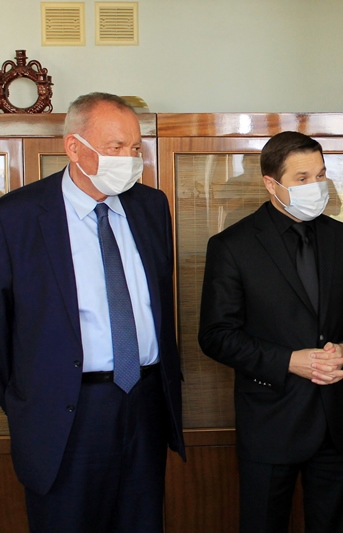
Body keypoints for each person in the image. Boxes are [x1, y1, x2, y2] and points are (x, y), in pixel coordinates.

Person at [0, 92, 185, 532]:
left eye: (135, 147)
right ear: (74, 147)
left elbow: (158, 301)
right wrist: (25, 400)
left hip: (144, 402)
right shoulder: (16, 216)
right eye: (115, 147)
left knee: (141, 521)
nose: (129, 159)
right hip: (65, 411)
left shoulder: (150, 206)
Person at [198, 131, 343, 533]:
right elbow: (216, 334)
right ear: (271, 184)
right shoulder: (232, 246)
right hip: (270, 422)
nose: (316, 186)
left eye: (321, 175)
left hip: (336, 422)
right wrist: (288, 361)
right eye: (302, 178)